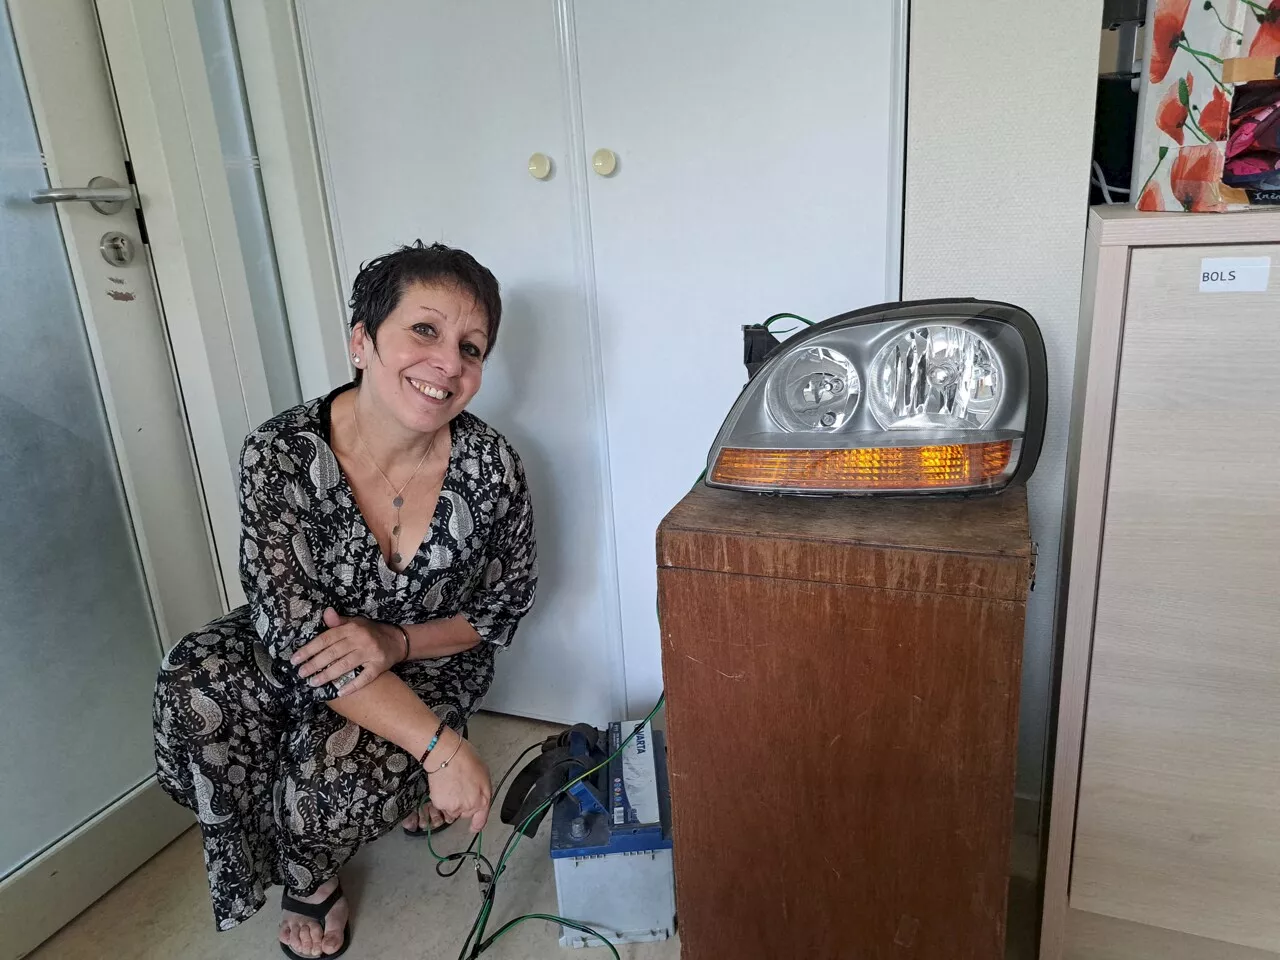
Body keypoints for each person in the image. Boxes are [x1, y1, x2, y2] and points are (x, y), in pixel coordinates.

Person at [153, 241, 536, 959]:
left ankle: (312, 866)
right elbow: (295, 632)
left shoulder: (493, 467)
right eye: (424, 330)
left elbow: (501, 609)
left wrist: (396, 643)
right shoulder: (279, 453)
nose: (449, 363)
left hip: (425, 661)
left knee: (326, 792)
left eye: (471, 347)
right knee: (191, 688)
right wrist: (442, 748)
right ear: (361, 340)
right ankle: (331, 839)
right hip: (301, 644)